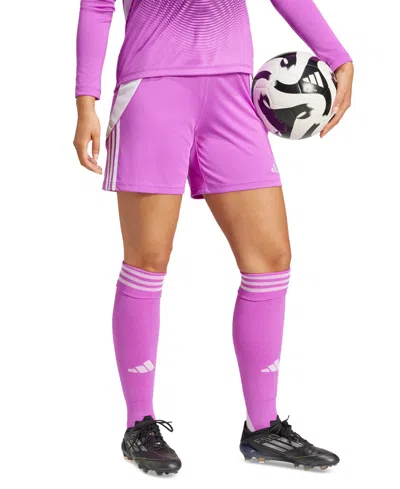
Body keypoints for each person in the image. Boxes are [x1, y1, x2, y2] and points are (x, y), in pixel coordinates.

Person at [74, 0, 354, 475]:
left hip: (234, 90)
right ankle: (139, 424)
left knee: (270, 259)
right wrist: (86, 101)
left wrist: (337, 55)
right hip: (152, 88)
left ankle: (263, 429)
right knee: (147, 259)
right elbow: (97, 5)